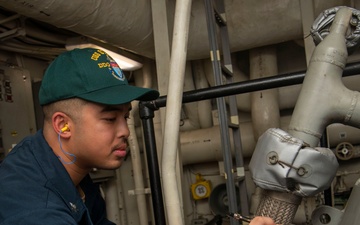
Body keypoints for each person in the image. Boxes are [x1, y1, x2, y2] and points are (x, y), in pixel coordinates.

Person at [0, 48, 159, 224]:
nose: (125, 131)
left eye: (126, 116)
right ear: (63, 125)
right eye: (110, 119)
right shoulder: (37, 212)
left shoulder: (68, 166)